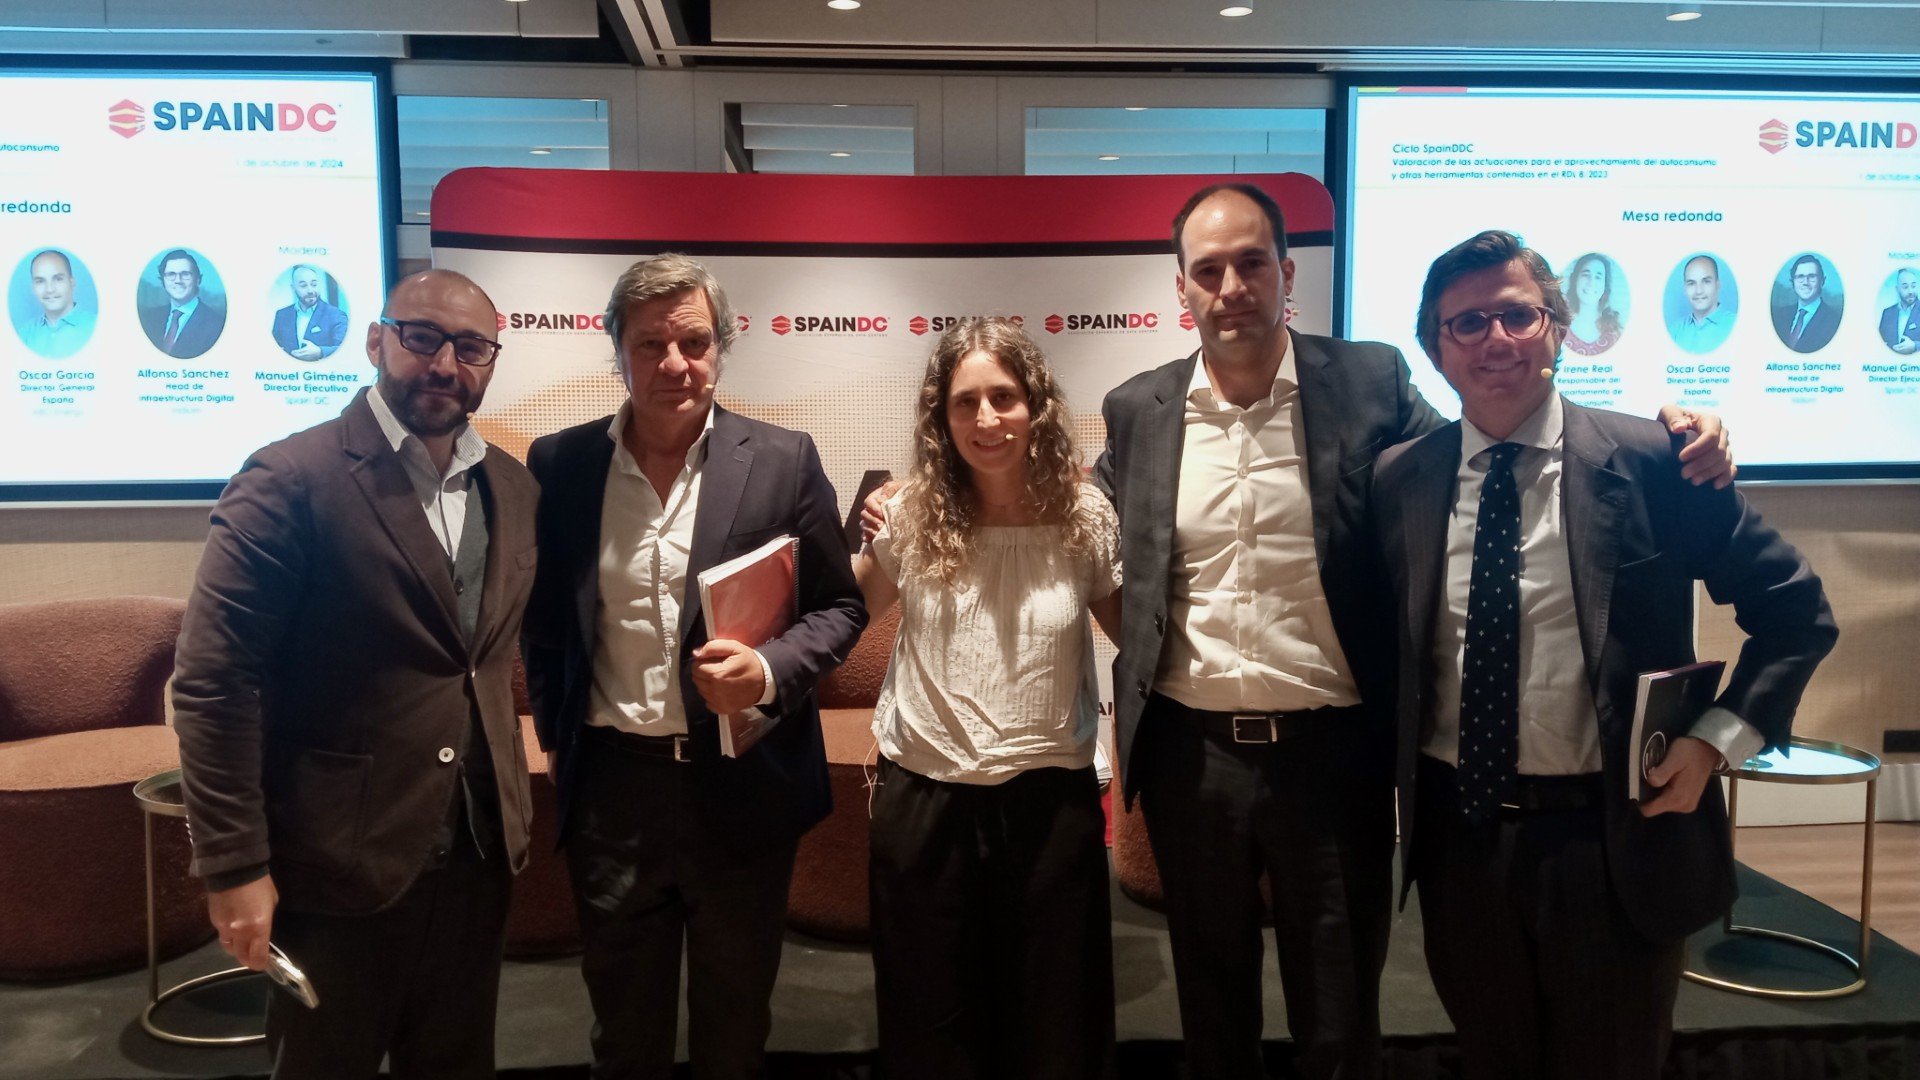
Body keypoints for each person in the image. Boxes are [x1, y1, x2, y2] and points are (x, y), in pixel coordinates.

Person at [1084, 184, 1733, 1080]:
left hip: (1333, 758)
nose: (1231, 286)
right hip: (1191, 760)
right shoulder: (1138, 408)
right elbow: (1087, 524)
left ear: (1287, 274)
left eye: (1252, 262)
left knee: (1339, 1012)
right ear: (1182, 289)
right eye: (1209, 270)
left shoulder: (1370, 382)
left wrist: (1677, 426)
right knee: (1210, 1001)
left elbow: (1488, 443)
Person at [1373, 229, 1837, 1080]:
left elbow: (1796, 612)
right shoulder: (1400, 480)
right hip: (1461, 846)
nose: (1495, 339)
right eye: (1467, 323)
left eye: (1517, 315)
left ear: (1557, 327)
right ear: (1435, 351)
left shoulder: (1658, 460)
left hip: (1615, 844)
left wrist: (1716, 741)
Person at [173, 269, 538, 1079]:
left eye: (470, 347)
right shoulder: (289, 480)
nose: (444, 363)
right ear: (376, 341)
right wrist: (234, 865)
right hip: (335, 863)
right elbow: (214, 682)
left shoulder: (512, 487)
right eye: (422, 337)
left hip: (478, 851)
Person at [521, 253, 866, 1080]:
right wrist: (561, 736)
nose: (675, 364)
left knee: (734, 1029)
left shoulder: (783, 459)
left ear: (721, 348)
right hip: (613, 792)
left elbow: (840, 607)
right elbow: (545, 620)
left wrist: (770, 670)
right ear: (617, 351)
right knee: (623, 1032)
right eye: (650, 344)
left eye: (695, 343)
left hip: (741, 790)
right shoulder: (560, 465)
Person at [854, 317, 1123, 1080]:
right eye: (965, 402)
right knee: (929, 1031)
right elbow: (839, 617)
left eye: (1004, 397)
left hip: (1050, 809)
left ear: (1036, 404)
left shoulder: (1086, 517)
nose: (986, 418)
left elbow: (1139, 638)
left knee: (1055, 1032)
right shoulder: (908, 514)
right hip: (925, 804)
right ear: (941, 418)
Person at [139, 249, 227, 359]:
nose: (178, 280)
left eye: (185, 274)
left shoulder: (216, 325)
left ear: (198, 280)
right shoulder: (149, 317)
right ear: (163, 281)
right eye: (171, 274)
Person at [15, 249, 96, 359]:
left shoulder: (96, 326)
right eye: (40, 281)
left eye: (58, 279)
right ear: (33, 287)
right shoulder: (24, 334)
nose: (49, 289)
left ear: (71, 283)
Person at [273, 264, 350, 360]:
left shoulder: (336, 315)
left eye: (314, 284)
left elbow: (346, 350)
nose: (310, 290)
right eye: (303, 285)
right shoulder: (282, 315)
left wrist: (321, 352)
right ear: (293, 288)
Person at [1771, 253, 1842, 353]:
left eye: (1812, 276)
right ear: (1793, 282)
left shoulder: (1834, 321)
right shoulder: (1780, 316)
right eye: (1800, 277)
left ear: (1822, 281)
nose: (1805, 282)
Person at [1669, 254, 1735, 354]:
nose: (1699, 291)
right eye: (1691, 283)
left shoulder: (1735, 324)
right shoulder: (1674, 331)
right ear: (1685, 289)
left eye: (1706, 281)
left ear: (1717, 285)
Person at [1561, 252, 1622, 357]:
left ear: (1605, 285)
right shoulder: (1559, 326)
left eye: (1598, 277)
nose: (1591, 283)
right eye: (1585, 275)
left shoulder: (1615, 332)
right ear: (1575, 280)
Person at [1880, 267, 1919, 355]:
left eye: (1913, 286)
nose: (1910, 291)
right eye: (1905, 287)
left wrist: (1915, 346)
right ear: (1897, 289)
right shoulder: (1887, 313)